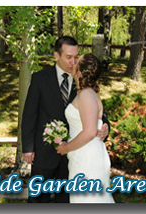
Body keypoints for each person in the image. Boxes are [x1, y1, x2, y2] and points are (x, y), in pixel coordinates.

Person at [21, 36, 110, 203]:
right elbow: (29, 115)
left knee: (66, 201)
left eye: (76, 57)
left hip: (75, 154)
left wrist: (105, 127)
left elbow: (99, 113)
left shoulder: (84, 81)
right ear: (57, 55)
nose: (73, 62)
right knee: (38, 199)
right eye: (69, 57)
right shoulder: (40, 79)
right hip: (44, 151)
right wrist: (28, 148)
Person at [56, 53, 115, 203]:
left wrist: (66, 148)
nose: (73, 63)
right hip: (83, 156)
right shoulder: (87, 93)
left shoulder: (87, 95)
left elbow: (89, 132)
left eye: (77, 62)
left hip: (87, 159)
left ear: (80, 72)